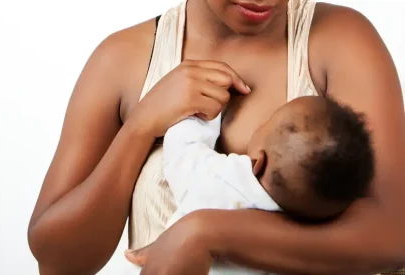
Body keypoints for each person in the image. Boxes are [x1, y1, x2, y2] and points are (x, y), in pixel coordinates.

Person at [27, 0, 405, 274]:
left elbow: (392, 236)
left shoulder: (337, 38)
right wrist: (141, 126)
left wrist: (207, 233)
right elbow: (59, 262)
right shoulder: (122, 61)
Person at [127, 96, 374, 274]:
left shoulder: (224, 180)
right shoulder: (308, 227)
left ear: (258, 161)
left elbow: (183, 151)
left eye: (266, 122)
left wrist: (206, 111)